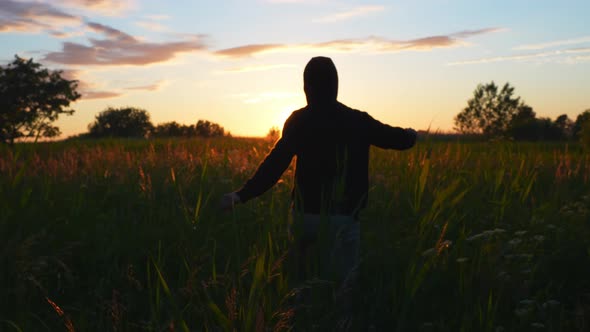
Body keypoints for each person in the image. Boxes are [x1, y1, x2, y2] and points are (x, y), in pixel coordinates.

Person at [220, 56, 417, 311]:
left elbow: (274, 165)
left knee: (302, 288)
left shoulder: (298, 120)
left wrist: (240, 195)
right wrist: (412, 135)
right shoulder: (358, 120)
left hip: (305, 218)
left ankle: (300, 319)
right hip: (344, 220)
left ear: (306, 88)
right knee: (343, 291)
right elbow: (396, 139)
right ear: (336, 86)